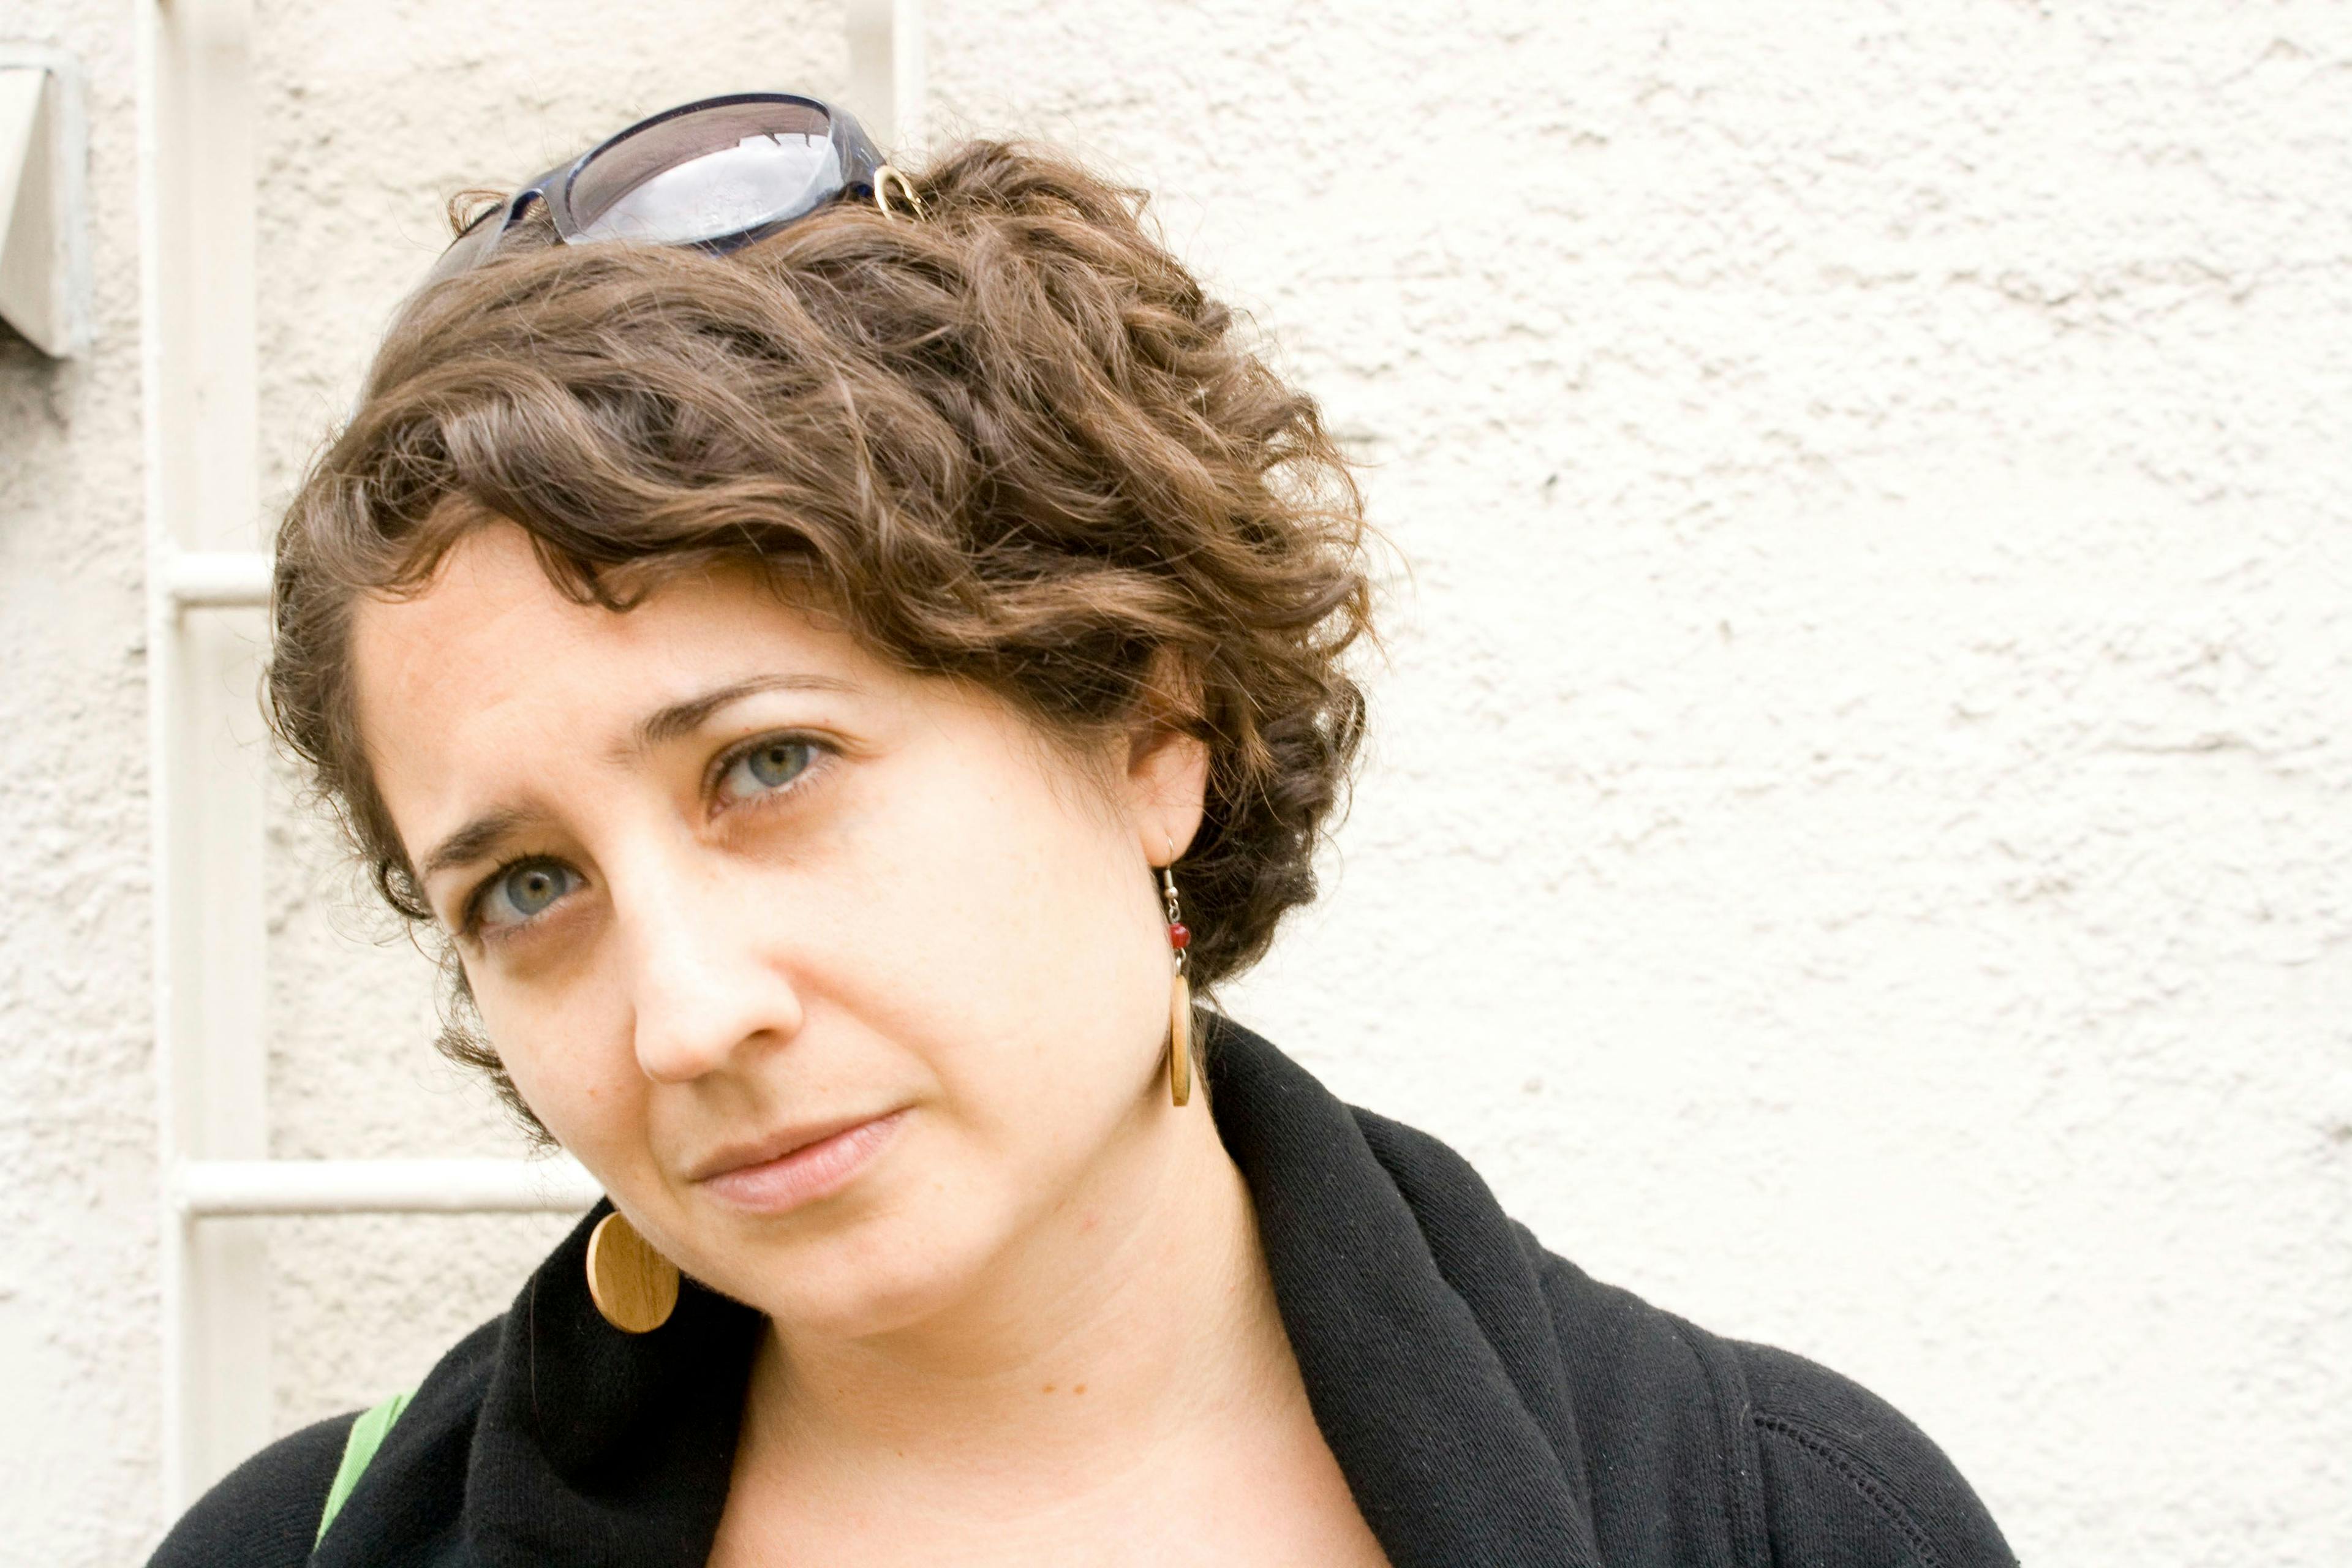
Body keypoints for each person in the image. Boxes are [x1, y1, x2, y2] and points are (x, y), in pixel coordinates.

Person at [149, 91, 2016, 1567]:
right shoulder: (292, 1553)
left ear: (1149, 727)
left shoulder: (1785, 1524)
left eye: (769, 766)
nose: (687, 1017)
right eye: (529, 887)